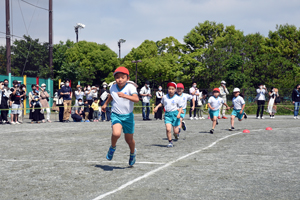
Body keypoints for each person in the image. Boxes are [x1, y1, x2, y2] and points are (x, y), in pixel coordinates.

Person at [102, 66, 139, 166]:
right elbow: (111, 95)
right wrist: (105, 104)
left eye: (122, 77)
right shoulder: (113, 87)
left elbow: (136, 99)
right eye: (117, 77)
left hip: (128, 117)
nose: (120, 79)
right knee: (116, 134)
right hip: (116, 115)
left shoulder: (131, 87)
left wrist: (125, 95)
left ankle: (132, 153)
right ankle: (112, 147)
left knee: (129, 140)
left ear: (127, 78)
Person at [154, 82, 183, 147]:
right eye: (169, 89)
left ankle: (177, 133)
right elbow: (162, 103)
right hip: (167, 115)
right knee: (168, 129)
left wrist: (179, 114)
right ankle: (170, 142)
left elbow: (180, 107)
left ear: (175, 90)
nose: (171, 90)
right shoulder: (164, 97)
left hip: (175, 115)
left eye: (172, 89)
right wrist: (157, 107)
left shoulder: (177, 98)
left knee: (175, 131)